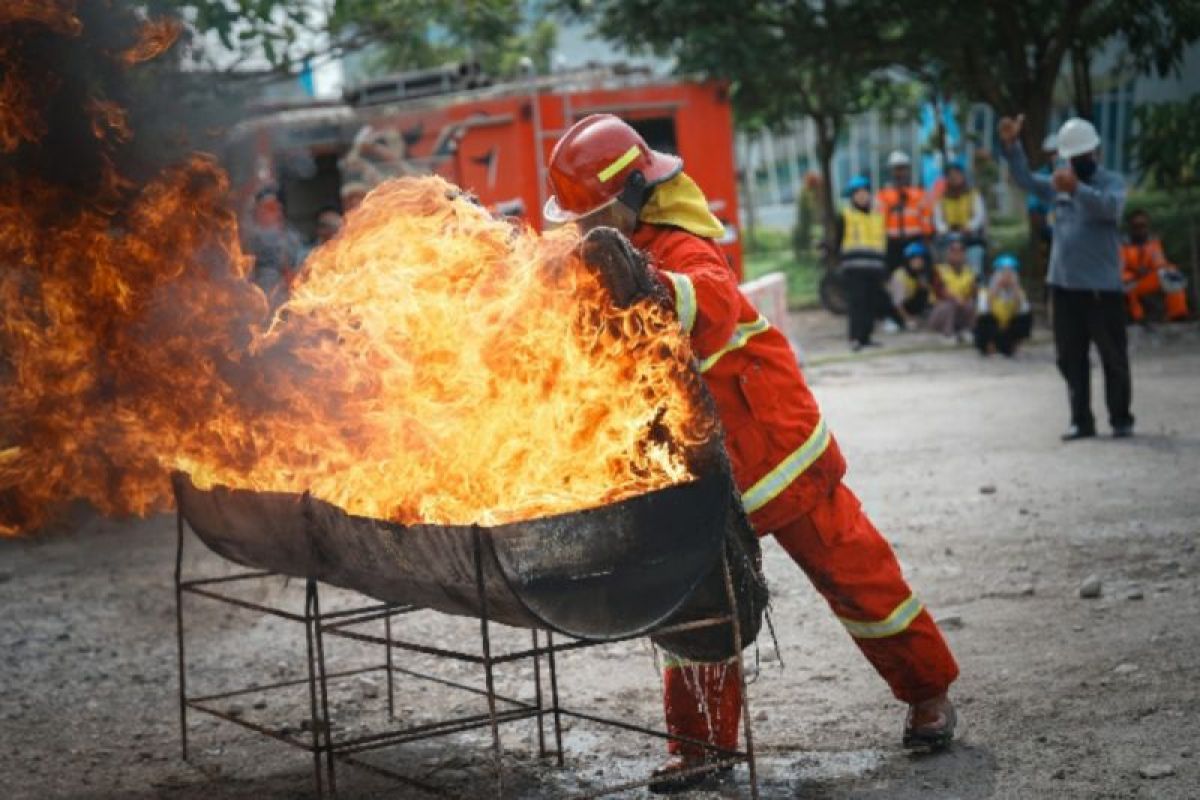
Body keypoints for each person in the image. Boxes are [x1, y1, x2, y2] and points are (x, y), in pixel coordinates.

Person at [543, 115, 959, 794]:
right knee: (698, 607)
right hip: (695, 471)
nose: (586, 227)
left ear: (636, 194)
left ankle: (927, 693)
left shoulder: (681, 247)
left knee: (856, 573)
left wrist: (646, 288)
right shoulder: (598, 258)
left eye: (597, 212)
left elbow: (706, 302)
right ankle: (700, 748)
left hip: (775, 451)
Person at [998, 114, 1133, 441]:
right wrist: (1011, 146)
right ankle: (1081, 421)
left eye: (1082, 156)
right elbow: (1025, 180)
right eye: (1071, 158)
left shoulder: (1110, 182)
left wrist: (1079, 190)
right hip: (1064, 288)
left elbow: (1110, 209)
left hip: (1103, 290)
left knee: (1113, 357)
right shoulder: (1059, 184)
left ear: (1095, 153)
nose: (1076, 162)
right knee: (1070, 358)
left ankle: (1120, 418)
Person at [834, 176, 905, 350]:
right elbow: (838, 240)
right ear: (852, 196)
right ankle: (855, 338)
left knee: (871, 303)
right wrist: (839, 263)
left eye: (864, 192)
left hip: (874, 267)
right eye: (857, 193)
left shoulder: (877, 216)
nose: (862, 196)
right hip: (853, 267)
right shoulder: (846, 215)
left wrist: (884, 266)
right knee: (857, 303)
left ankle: (866, 337)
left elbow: (882, 241)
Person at [1121, 209, 1189, 324]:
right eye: (1136, 226)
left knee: (1171, 274)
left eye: (1143, 225)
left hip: (1148, 279)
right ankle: (1138, 318)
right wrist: (1133, 275)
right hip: (1129, 282)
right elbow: (1118, 268)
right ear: (1131, 227)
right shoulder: (1122, 245)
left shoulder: (1153, 243)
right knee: (1128, 286)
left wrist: (1157, 270)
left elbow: (1160, 263)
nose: (1140, 229)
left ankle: (1177, 314)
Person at [243, 186, 304, 304]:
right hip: (260, 294)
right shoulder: (251, 238)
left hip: (286, 295)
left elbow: (296, 263)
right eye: (270, 208)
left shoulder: (291, 237)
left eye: (277, 208)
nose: (277, 213)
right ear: (257, 211)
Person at [876, 150, 933, 273]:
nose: (899, 173)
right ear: (891, 171)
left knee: (919, 273)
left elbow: (926, 218)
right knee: (893, 275)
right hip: (892, 242)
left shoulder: (919, 193)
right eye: (896, 169)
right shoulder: (883, 195)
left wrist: (927, 238)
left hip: (915, 240)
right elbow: (879, 220)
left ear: (907, 170)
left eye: (902, 169)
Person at [934, 159, 987, 276]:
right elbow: (938, 218)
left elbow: (979, 215)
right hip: (949, 237)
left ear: (963, 175)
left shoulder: (973, 194)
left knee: (975, 262)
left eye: (957, 174)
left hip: (970, 237)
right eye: (950, 175)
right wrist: (943, 229)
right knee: (943, 265)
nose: (953, 177)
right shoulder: (942, 197)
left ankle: (976, 282)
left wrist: (970, 227)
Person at [974, 253, 1033, 356]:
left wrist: (1014, 288)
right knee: (984, 319)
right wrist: (997, 287)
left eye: (1010, 273)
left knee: (1025, 317)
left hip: (1007, 329)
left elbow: (1023, 310)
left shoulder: (1019, 292)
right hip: (993, 329)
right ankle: (989, 347)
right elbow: (984, 309)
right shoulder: (985, 291)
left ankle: (1013, 346)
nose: (1007, 276)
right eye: (1003, 272)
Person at [929, 237, 976, 343]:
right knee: (950, 304)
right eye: (953, 252)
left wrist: (965, 298)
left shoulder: (969, 272)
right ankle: (947, 334)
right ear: (948, 254)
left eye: (960, 252)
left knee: (970, 304)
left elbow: (972, 292)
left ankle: (966, 330)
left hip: (960, 309)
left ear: (964, 255)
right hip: (940, 312)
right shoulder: (939, 270)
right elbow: (940, 291)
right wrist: (956, 298)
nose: (957, 255)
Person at [890, 240, 934, 328]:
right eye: (916, 259)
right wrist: (908, 318)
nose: (919, 262)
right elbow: (897, 304)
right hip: (898, 309)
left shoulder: (921, 275)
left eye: (921, 259)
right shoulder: (899, 275)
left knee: (924, 292)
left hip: (912, 304)